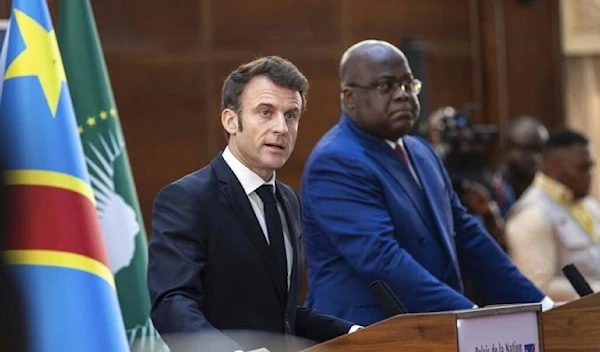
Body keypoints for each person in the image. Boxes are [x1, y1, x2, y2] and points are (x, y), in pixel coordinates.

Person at [301, 40, 552, 326]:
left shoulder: (421, 151)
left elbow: (466, 235)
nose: (402, 96)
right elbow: (383, 260)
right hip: (371, 333)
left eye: (409, 85)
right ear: (349, 98)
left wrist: (541, 304)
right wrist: (471, 316)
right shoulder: (336, 161)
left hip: (433, 327)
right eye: (386, 86)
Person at [147, 56, 356, 352]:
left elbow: (282, 315)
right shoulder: (187, 198)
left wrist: (353, 332)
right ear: (231, 121)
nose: (281, 128)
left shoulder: (288, 200)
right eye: (266, 112)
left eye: (291, 115)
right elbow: (171, 304)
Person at [506, 129, 600, 302]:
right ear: (554, 166)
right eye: (582, 168)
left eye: (592, 166)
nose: (590, 174)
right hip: (569, 321)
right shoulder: (532, 213)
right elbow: (539, 285)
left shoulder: (589, 206)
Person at [503, 116, 549, 199]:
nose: (536, 157)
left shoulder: (549, 187)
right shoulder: (498, 189)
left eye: (541, 150)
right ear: (508, 149)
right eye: (528, 149)